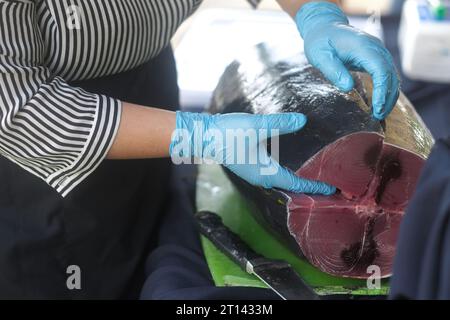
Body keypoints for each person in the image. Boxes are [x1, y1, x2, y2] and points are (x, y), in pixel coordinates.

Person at [0, 0, 399, 298]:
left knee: (153, 249)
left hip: (151, 89)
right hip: (48, 149)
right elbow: (15, 106)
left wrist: (316, 15)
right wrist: (198, 135)